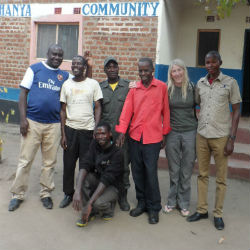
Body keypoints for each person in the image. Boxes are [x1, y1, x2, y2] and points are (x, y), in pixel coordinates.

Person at [8, 44, 69, 211]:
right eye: (54, 54)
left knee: (49, 162)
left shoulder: (65, 76)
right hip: (32, 122)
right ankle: (17, 194)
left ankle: (46, 193)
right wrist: (22, 119)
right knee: (25, 160)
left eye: (60, 55)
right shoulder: (34, 69)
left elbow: (80, 83)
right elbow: (23, 94)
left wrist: (89, 66)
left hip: (54, 124)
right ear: (47, 54)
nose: (57, 57)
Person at [187, 51, 242, 230]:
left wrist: (232, 138)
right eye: (207, 62)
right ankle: (202, 210)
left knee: (221, 178)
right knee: (202, 175)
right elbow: (196, 104)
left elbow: (236, 111)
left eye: (213, 62)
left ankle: (217, 214)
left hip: (221, 137)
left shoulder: (230, 83)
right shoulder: (200, 84)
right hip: (202, 135)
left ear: (220, 62)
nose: (210, 65)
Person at [116, 58, 171, 224]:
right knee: (137, 172)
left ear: (152, 70)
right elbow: (127, 110)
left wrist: (165, 134)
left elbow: (166, 112)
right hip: (135, 136)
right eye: (140, 71)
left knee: (151, 173)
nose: (143, 74)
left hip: (153, 138)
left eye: (146, 70)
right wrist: (121, 132)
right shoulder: (134, 88)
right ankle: (141, 203)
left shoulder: (161, 87)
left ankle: (154, 207)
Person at [59, 55, 103, 208]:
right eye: (74, 64)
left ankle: (84, 193)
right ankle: (68, 194)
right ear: (72, 67)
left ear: (85, 67)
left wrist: (96, 128)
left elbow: (98, 107)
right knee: (69, 164)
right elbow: (63, 111)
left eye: (80, 64)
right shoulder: (66, 85)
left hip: (88, 131)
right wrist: (63, 134)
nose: (76, 66)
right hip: (71, 130)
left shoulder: (93, 84)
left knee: (87, 165)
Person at [163, 59, 197, 217]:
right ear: (170, 73)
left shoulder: (192, 88)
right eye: (173, 71)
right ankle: (171, 201)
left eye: (179, 70)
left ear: (184, 70)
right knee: (174, 169)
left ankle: (183, 203)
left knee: (186, 169)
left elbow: (203, 105)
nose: (177, 73)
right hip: (172, 133)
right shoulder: (166, 89)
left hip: (190, 132)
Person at [72, 122, 124, 227]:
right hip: (99, 179)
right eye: (97, 134)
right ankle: (90, 212)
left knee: (97, 203)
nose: (100, 137)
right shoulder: (94, 144)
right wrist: (77, 191)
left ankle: (108, 209)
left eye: (103, 133)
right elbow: (85, 163)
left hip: (112, 186)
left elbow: (107, 179)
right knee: (82, 178)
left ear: (110, 134)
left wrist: (90, 203)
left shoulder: (117, 153)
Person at [99, 56, 130, 211]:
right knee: (107, 168)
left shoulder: (127, 86)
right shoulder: (101, 87)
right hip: (107, 138)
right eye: (108, 67)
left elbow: (132, 111)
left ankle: (123, 197)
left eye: (114, 66)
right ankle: (110, 196)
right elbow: (97, 111)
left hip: (123, 136)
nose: (111, 69)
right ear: (105, 70)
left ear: (118, 68)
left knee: (124, 168)